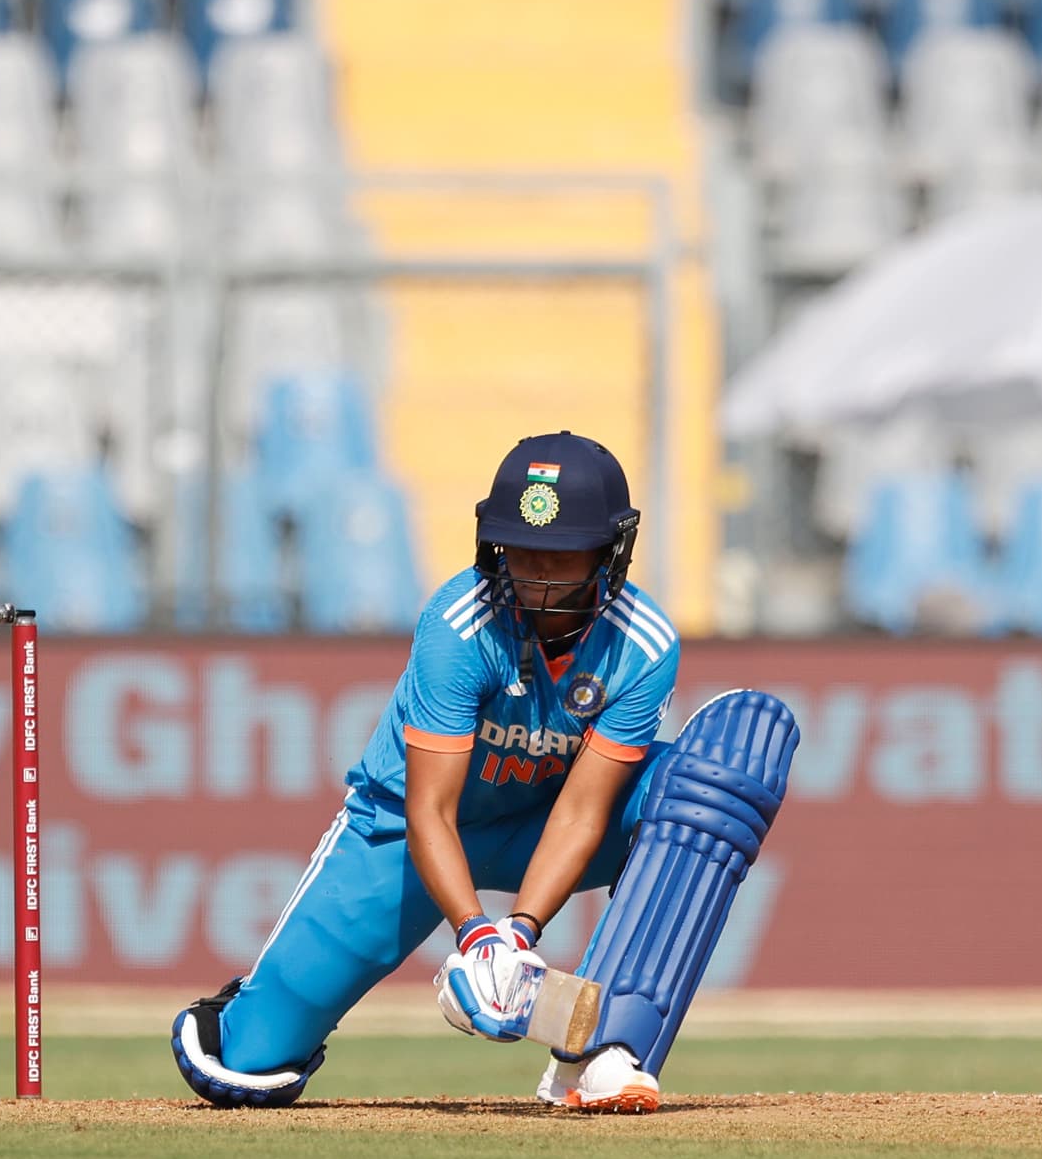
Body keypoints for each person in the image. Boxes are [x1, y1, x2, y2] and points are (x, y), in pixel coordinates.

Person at [171, 431, 800, 1113]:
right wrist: (475, 937)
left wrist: (518, 934)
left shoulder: (643, 645)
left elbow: (584, 812)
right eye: (519, 550)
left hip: (543, 820)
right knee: (243, 1068)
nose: (535, 575)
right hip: (405, 834)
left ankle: (606, 1050)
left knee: (707, 781)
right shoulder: (458, 623)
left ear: (608, 553)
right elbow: (428, 812)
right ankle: (250, 1009)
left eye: (560, 557)